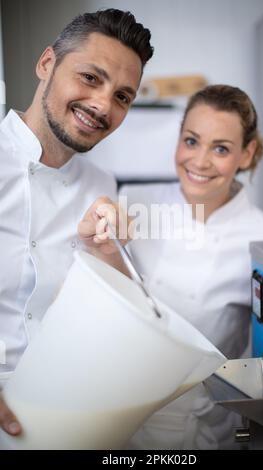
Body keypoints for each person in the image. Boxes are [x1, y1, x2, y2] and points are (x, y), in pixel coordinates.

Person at [0, 8, 153, 438]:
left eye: (123, 96)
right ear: (47, 63)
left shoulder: (102, 186)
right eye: (91, 78)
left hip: (67, 414)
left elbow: (116, 307)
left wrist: (106, 254)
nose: (103, 105)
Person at [120, 84, 263, 450]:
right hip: (121, 418)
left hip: (207, 430)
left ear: (247, 154)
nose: (199, 161)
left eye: (221, 149)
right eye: (191, 141)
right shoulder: (131, 204)